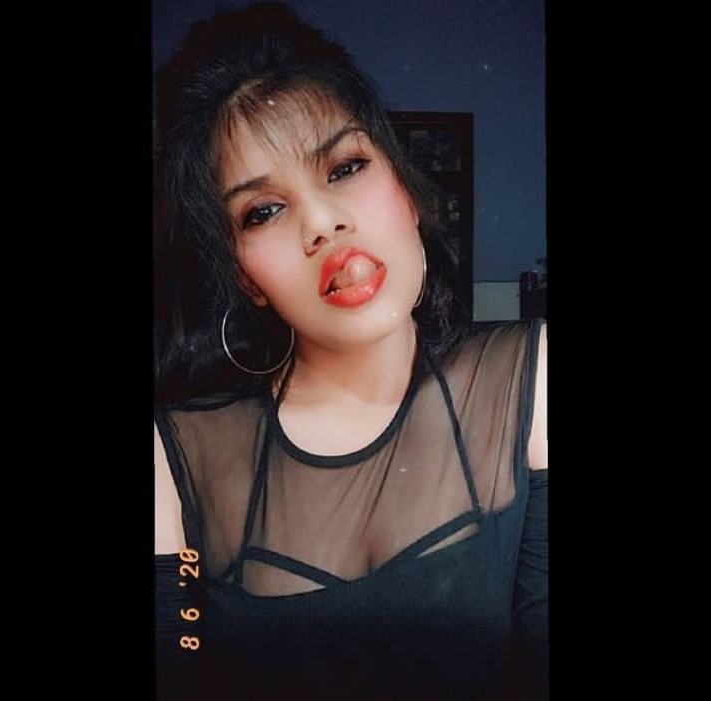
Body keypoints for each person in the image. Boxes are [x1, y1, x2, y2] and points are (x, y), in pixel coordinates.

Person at [153, 3, 548, 700]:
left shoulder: (530, 381)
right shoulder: (173, 455)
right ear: (247, 279)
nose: (322, 222)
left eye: (344, 167)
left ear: (407, 190)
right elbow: (177, 655)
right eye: (263, 211)